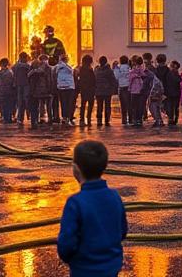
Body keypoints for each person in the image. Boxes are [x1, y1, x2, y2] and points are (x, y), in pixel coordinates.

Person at [57, 140, 127, 277]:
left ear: (76, 169)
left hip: (83, 270)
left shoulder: (75, 203)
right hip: (112, 268)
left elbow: (66, 245)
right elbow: (123, 231)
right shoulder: (114, 196)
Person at [28, 54, 53, 126]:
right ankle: (49, 120)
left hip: (37, 91)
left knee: (37, 106)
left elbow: (30, 79)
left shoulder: (34, 69)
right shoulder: (48, 68)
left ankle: (36, 121)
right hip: (46, 90)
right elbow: (50, 79)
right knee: (48, 106)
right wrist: (50, 89)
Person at [93, 56, 115, 128]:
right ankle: (107, 120)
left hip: (98, 91)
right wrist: (112, 88)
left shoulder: (96, 70)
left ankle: (99, 121)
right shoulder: (109, 70)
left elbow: (94, 80)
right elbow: (113, 80)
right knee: (107, 106)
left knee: (99, 106)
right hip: (107, 91)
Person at [55, 55, 76, 126]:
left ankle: (64, 117)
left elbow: (55, 74)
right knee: (69, 103)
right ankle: (68, 118)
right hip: (69, 87)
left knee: (63, 103)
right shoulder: (68, 67)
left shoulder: (57, 67)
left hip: (61, 87)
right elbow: (72, 72)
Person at [76, 55, 96, 127]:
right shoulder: (90, 69)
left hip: (84, 89)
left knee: (83, 105)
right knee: (90, 105)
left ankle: (82, 120)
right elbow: (93, 80)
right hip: (90, 89)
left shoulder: (81, 69)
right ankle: (89, 119)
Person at [12, 52, 31, 126]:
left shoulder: (16, 66)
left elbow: (13, 70)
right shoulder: (28, 66)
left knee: (20, 103)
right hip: (26, 85)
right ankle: (30, 116)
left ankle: (20, 118)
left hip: (18, 85)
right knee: (27, 101)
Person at [0, 58, 17, 124]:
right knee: (9, 105)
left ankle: (5, 118)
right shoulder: (10, 73)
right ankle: (9, 118)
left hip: (1, 92)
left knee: (3, 105)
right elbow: (13, 83)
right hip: (9, 92)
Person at [113, 56, 131, 125]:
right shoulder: (129, 67)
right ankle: (131, 119)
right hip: (129, 87)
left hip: (121, 87)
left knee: (123, 105)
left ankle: (124, 120)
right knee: (130, 104)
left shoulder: (118, 68)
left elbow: (116, 77)